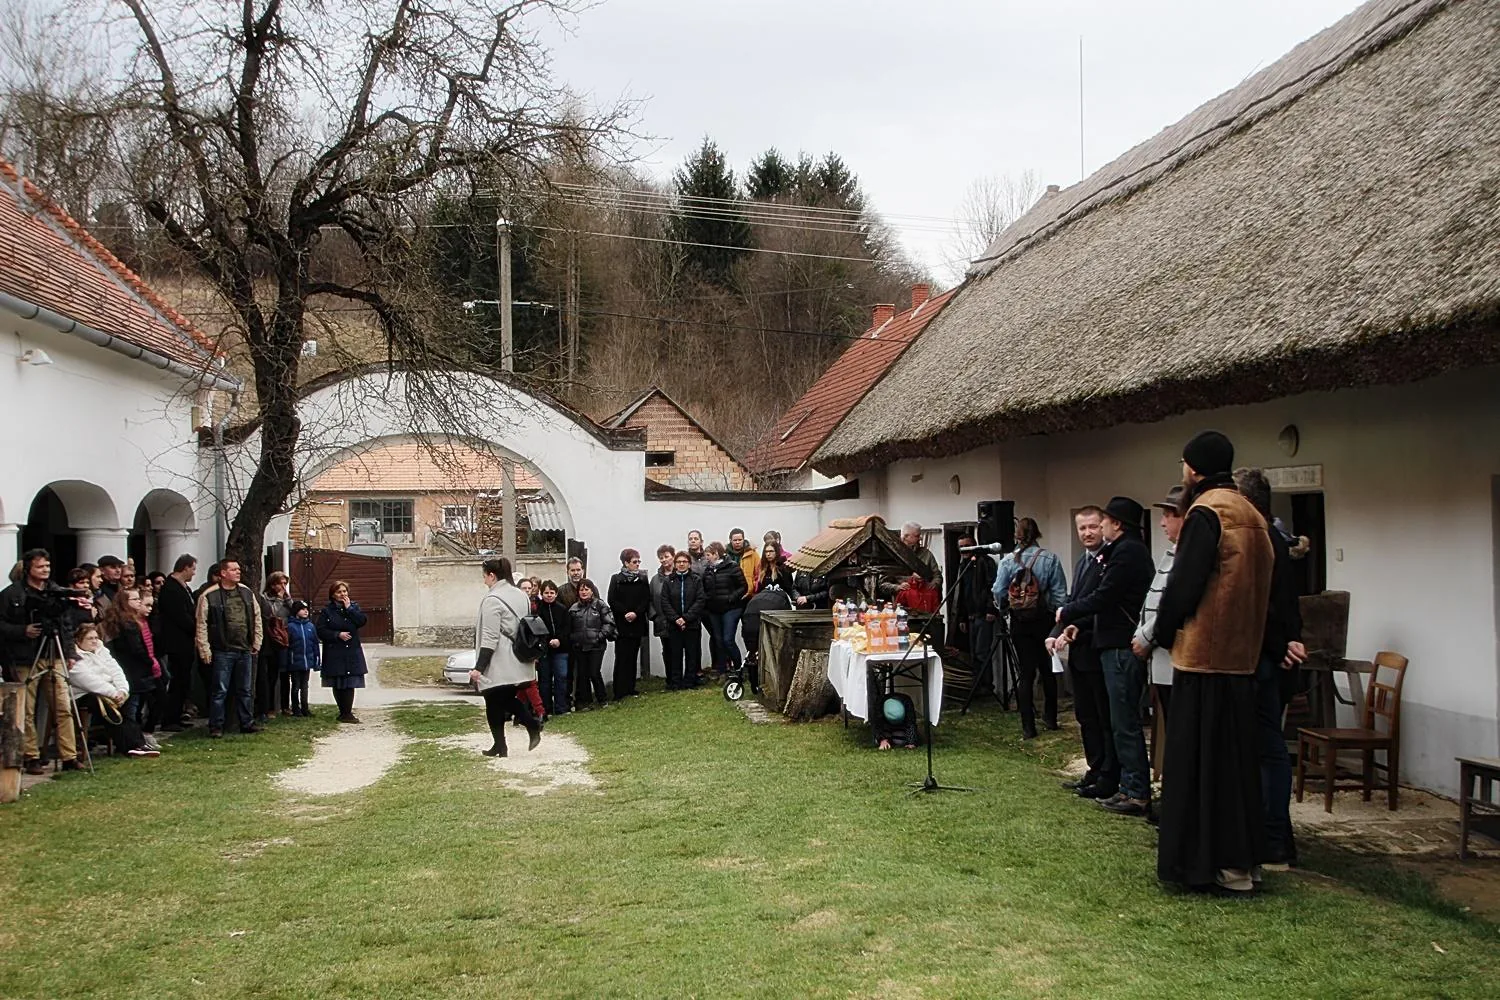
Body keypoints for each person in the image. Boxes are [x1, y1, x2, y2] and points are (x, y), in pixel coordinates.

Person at [1154, 431, 1275, 893]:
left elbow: (1185, 584)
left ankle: (1202, 864)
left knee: (1199, 767)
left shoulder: (1207, 512)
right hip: (1241, 659)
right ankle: (1243, 862)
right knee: (1237, 765)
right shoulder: (1254, 515)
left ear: (1194, 468)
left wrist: (1163, 632)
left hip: (1204, 660)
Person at [1057, 498, 1155, 816]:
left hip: (1120, 645)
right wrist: (1075, 625)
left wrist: (1067, 611)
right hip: (1106, 641)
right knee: (1115, 721)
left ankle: (1135, 790)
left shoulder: (1127, 552)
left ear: (1117, 524)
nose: (1097, 528)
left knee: (1124, 722)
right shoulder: (1119, 551)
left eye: (1102, 523)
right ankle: (1126, 786)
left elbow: (1105, 596)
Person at [1234, 466, 1308, 869]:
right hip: (1267, 655)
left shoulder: (1266, 542)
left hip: (1266, 662)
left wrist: (1280, 644)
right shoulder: (1266, 539)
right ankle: (1270, 833)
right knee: (1262, 748)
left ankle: (1276, 837)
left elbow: (1270, 605)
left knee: (1269, 750)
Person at [1047, 507, 1114, 800]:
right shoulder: (1083, 562)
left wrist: (1072, 628)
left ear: (1105, 527)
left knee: (1103, 717)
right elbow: (1073, 603)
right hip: (1078, 652)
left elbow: (1096, 606)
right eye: (1082, 528)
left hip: (1097, 650)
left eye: (1093, 527)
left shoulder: (1109, 563)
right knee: (1085, 716)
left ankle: (1108, 774)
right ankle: (1094, 769)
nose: (1087, 533)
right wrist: (1054, 633)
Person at [0, 549, 83, 773]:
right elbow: (2, 624)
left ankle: (69, 755)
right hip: (25, 656)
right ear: (28, 568)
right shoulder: (12, 594)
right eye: (40, 566)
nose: (45, 570)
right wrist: (22, 630)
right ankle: (31, 756)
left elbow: (65, 626)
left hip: (53, 653)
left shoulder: (55, 593)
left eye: (47, 566)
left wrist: (69, 653)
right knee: (26, 708)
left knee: (63, 706)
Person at [994, 518, 1068, 739]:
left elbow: (998, 590)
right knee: (1047, 669)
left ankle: (1028, 727)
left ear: (1017, 535)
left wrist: (1006, 609)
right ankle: (1051, 718)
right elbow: (1059, 594)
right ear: (1037, 534)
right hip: (1044, 619)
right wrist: (1056, 618)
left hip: (1019, 621)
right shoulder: (1050, 559)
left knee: (1025, 672)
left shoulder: (1008, 561)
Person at [1132, 487, 1186, 765]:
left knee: (1180, 734)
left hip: (1175, 659)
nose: (1162, 522)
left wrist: (1145, 636)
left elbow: (1173, 603)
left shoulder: (1189, 555)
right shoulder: (1173, 552)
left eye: (1169, 515)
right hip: (1159, 660)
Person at [469, 558, 543, 756]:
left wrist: (479, 667)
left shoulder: (492, 600)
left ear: (492, 575)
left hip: (500, 660)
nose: (484, 580)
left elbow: (490, 637)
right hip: (519, 655)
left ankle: (530, 724)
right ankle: (500, 745)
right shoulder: (521, 595)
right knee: (500, 699)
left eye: (485, 576)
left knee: (495, 697)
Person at [195, 558, 262, 738]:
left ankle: (246, 722)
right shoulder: (209, 595)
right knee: (220, 690)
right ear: (223, 573)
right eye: (233, 569)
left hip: (244, 648)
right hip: (222, 649)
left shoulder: (247, 593)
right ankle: (216, 725)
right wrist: (204, 649)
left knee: (245, 689)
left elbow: (256, 617)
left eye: (238, 569)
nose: (238, 572)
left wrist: (257, 641)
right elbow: (201, 624)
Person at [68, 623, 157, 758]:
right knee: (107, 709)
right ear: (79, 640)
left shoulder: (102, 650)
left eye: (96, 638)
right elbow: (88, 681)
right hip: (83, 694)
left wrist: (122, 690)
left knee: (127, 704)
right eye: (89, 638)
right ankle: (129, 746)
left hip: (109, 690)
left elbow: (116, 670)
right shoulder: (75, 658)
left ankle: (138, 743)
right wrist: (113, 693)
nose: (94, 641)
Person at [100, 588, 163, 749]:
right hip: (134, 670)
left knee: (133, 707)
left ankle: (134, 740)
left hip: (129, 669)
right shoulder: (129, 624)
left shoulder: (121, 621)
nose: (139, 602)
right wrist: (149, 662)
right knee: (132, 707)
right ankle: (133, 742)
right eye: (134, 599)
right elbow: (136, 649)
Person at [157, 554, 200, 731]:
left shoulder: (184, 588)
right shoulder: (171, 589)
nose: (194, 573)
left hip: (185, 641)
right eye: (193, 569)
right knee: (177, 680)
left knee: (183, 680)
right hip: (177, 641)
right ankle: (170, 718)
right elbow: (180, 616)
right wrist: (195, 628)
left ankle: (178, 714)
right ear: (185, 567)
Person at [317, 580, 368, 724]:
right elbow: (321, 630)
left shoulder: (354, 607)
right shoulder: (327, 611)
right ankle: (342, 712)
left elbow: (362, 621)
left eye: (344, 591)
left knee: (349, 682)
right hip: (335, 651)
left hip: (351, 650)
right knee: (338, 682)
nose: (343, 594)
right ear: (333, 594)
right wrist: (337, 635)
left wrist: (349, 609)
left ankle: (348, 712)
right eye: (339, 592)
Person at [606, 549, 651, 700]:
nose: (637, 565)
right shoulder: (616, 579)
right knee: (622, 656)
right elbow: (612, 599)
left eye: (639, 562)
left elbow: (646, 599)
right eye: (634, 562)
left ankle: (631, 687)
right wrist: (625, 612)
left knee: (633, 656)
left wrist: (636, 613)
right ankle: (619, 689)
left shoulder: (642, 579)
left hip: (637, 622)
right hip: (622, 623)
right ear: (626, 563)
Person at [658, 551, 706, 690]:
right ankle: (675, 682)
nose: (681, 564)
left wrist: (686, 618)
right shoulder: (669, 581)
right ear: (675, 564)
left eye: (684, 561)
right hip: (674, 625)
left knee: (692, 654)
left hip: (692, 624)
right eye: (679, 562)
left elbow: (700, 600)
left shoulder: (696, 580)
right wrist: (676, 618)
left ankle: (690, 681)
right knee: (675, 654)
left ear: (689, 564)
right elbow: (665, 601)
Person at [567, 578, 615, 710]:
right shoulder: (573, 608)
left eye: (586, 589)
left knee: (594, 672)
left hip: (596, 645)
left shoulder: (600, 605)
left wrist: (600, 636)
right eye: (581, 589)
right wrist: (574, 639)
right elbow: (568, 628)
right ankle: (586, 702)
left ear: (592, 591)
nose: (584, 592)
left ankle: (602, 699)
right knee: (583, 674)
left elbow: (609, 623)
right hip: (580, 646)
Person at [703, 541, 747, 678]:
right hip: (714, 609)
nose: (707, 558)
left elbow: (743, 587)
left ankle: (739, 669)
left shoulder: (732, 567)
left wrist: (731, 597)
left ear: (716, 554)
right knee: (718, 640)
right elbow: (705, 588)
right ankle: (722, 671)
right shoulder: (708, 570)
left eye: (709, 555)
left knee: (728, 639)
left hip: (731, 608)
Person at [533, 580, 571, 715]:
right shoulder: (537, 610)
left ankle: (561, 707)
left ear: (556, 594)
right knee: (545, 680)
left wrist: (559, 640)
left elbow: (567, 628)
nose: (549, 595)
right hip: (544, 650)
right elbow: (536, 630)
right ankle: (546, 708)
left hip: (561, 649)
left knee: (561, 677)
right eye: (546, 593)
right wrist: (547, 641)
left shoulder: (562, 609)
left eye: (552, 593)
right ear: (542, 594)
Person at [258, 571, 291, 720]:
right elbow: (272, 615)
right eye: (280, 583)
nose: (283, 586)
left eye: (285, 583)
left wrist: (287, 599)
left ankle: (285, 705)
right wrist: (278, 600)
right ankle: (270, 707)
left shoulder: (286, 599)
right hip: (271, 640)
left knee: (285, 674)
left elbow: (294, 611)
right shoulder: (265, 598)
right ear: (273, 584)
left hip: (284, 638)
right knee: (271, 675)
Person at [882, 521, 941, 597]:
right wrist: (898, 587)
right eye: (917, 536)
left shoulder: (926, 554)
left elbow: (937, 575)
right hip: (901, 602)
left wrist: (934, 584)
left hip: (924, 601)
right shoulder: (892, 556)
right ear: (906, 536)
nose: (921, 538)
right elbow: (883, 584)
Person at [284, 599, 318, 717]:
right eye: (302, 609)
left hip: (307, 662)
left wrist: (316, 660)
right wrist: (287, 661)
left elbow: (314, 644)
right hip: (295, 662)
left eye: (306, 609)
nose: (305, 611)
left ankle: (305, 708)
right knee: (296, 686)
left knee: (305, 686)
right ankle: (295, 708)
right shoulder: (291, 627)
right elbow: (287, 645)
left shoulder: (310, 626)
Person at [650, 544, 677, 674]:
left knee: (678, 649)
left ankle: (680, 677)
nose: (664, 560)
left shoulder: (680, 575)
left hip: (678, 619)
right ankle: (670, 677)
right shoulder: (655, 580)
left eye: (666, 556)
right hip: (662, 621)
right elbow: (649, 599)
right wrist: (654, 616)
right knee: (666, 649)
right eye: (661, 558)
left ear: (673, 557)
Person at [728, 528, 761, 598]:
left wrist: (753, 586)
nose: (737, 542)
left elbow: (759, 573)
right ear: (730, 540)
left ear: (743, 539)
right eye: (735, 540)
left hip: (749, 594)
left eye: (740, 540)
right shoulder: (725, 555)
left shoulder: (752, 553)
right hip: (731, 593)